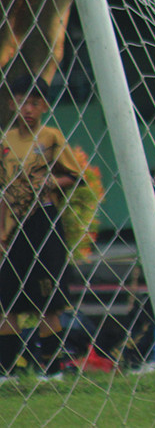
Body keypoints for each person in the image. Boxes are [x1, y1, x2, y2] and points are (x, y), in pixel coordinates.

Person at [0, 75, 83, 380]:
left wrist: (52, 181)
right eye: (22, 101)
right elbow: (4, 191)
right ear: (12, 104)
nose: (28, 108)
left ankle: (51, 369)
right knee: (6, 299)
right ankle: (6, 371)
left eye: (34, 102)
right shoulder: (5, 142)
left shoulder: (51, 138)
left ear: (45, 106)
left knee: (49, 301)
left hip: (44, 223)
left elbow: (73, 176)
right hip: (14, 224)